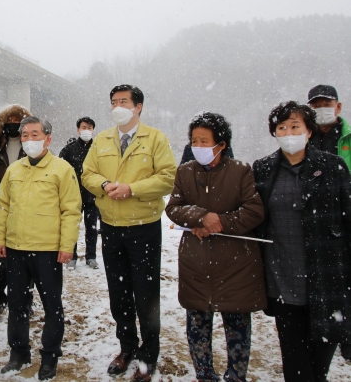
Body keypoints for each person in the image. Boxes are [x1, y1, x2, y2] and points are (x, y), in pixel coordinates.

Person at [81, 84, 177, 381]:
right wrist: (106, 185)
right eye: (113, 102)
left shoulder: (155, 139)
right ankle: (127, 347)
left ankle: (149, 355)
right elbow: (87, 173)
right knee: (119, 293)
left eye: (124, 101)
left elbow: (167, 178)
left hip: (143, 228)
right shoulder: (103, 139)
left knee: (146, 294)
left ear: (138, 107)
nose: (117, 106)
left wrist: (132, 188)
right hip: (111, 227)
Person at [252, 101, 351, 382]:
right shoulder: (263, 169)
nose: (288, 132)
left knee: (319, 363)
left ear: (309, 131)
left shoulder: (332, 166)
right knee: (295, 363)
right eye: (282, 127)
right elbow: (252, 215)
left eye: (295, 126)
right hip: (283, 278)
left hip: (326, 276)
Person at [165, 112, 266, 382]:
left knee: (237, 327)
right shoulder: (185, 171)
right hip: (196, 262)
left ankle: (236, 375)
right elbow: (173, 208)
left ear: (221, 144)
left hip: (236, 264)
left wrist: (219, 222)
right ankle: (204, 374)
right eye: (194, 141)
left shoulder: (241, 171)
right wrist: (198, 217)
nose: (198, 146)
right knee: (197, 325)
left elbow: (254, 212)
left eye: (204, 141)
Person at [0, 117, 81, 381]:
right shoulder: (14, 170)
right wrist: (0, 239)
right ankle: (18, 353)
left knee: (52, 306)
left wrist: (67, 246)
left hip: (47, 251)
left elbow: (71, 210)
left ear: (48, 138)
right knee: (18, 304)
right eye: (25, 135)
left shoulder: (62, 169)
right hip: (17, 249)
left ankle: (50, 356)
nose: (30, 139)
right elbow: (3, 207)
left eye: (35, 134)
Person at [306, 85, 351, 362]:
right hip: (315, 219)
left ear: (338, 107)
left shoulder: (346, 139)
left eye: (326, 103)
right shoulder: (304, 138)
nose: (321, 109)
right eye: (316, 105)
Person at [0, 104, 31, 322]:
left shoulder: (31, 146)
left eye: (17, 119)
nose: (13, 123)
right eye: (9, 119)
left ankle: (24, 301)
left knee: (26, 260)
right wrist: (1, 190)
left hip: (26, 210)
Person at [59, 116, 99, 270]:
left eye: (89, 128)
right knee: (72, 226)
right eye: (84, 127)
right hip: (73, 196)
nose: (86, 131)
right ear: (78, 129)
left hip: (92, 195)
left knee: (92, 228)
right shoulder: (69, 149)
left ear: (93, 130)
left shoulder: (98, 149)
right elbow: (60, 169)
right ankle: (71, 256)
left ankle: (91, 257)